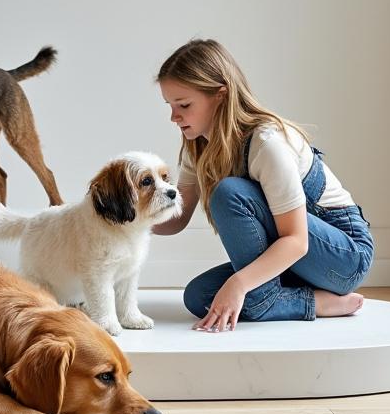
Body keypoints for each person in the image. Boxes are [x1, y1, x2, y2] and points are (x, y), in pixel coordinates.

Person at [153, 39, 373, 332]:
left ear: (220, 96)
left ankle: (282, 301)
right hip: (294, 260)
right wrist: (123, 217)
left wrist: (238, 283)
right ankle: (303, 300)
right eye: (170, 105)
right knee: (199, 296)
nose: (174, 116)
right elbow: (176, 217)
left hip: (341, 258)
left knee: (230, 193)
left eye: (184, 104)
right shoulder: (199, 147)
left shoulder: (266, 143)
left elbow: (297, 240)